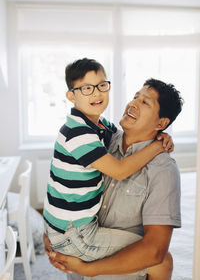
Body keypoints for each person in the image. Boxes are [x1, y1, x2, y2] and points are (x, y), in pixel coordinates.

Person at [43, 58, 173, 278]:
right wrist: (157, 147)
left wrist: (163, 134)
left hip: (68, 227)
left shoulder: (100, 126)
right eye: (86, 88)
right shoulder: (77, 132)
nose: (96, 93)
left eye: (102, 85)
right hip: (75, 232)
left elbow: (122, 136)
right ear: (71, 96)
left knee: (153, 253)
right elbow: (120, 170)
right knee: (161, 261)